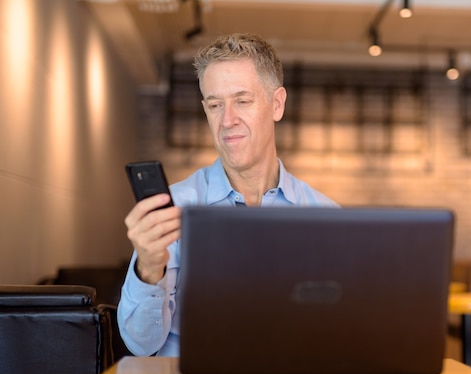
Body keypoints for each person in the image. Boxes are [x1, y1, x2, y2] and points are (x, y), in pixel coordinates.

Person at [118, 33, 339, 357]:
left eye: (243, 101)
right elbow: (140, 345)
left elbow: (336, 334)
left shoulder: (326, 215)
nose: (227, 120)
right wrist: (150, 270)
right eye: (215, 104)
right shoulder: (173, 209)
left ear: (276, 104)